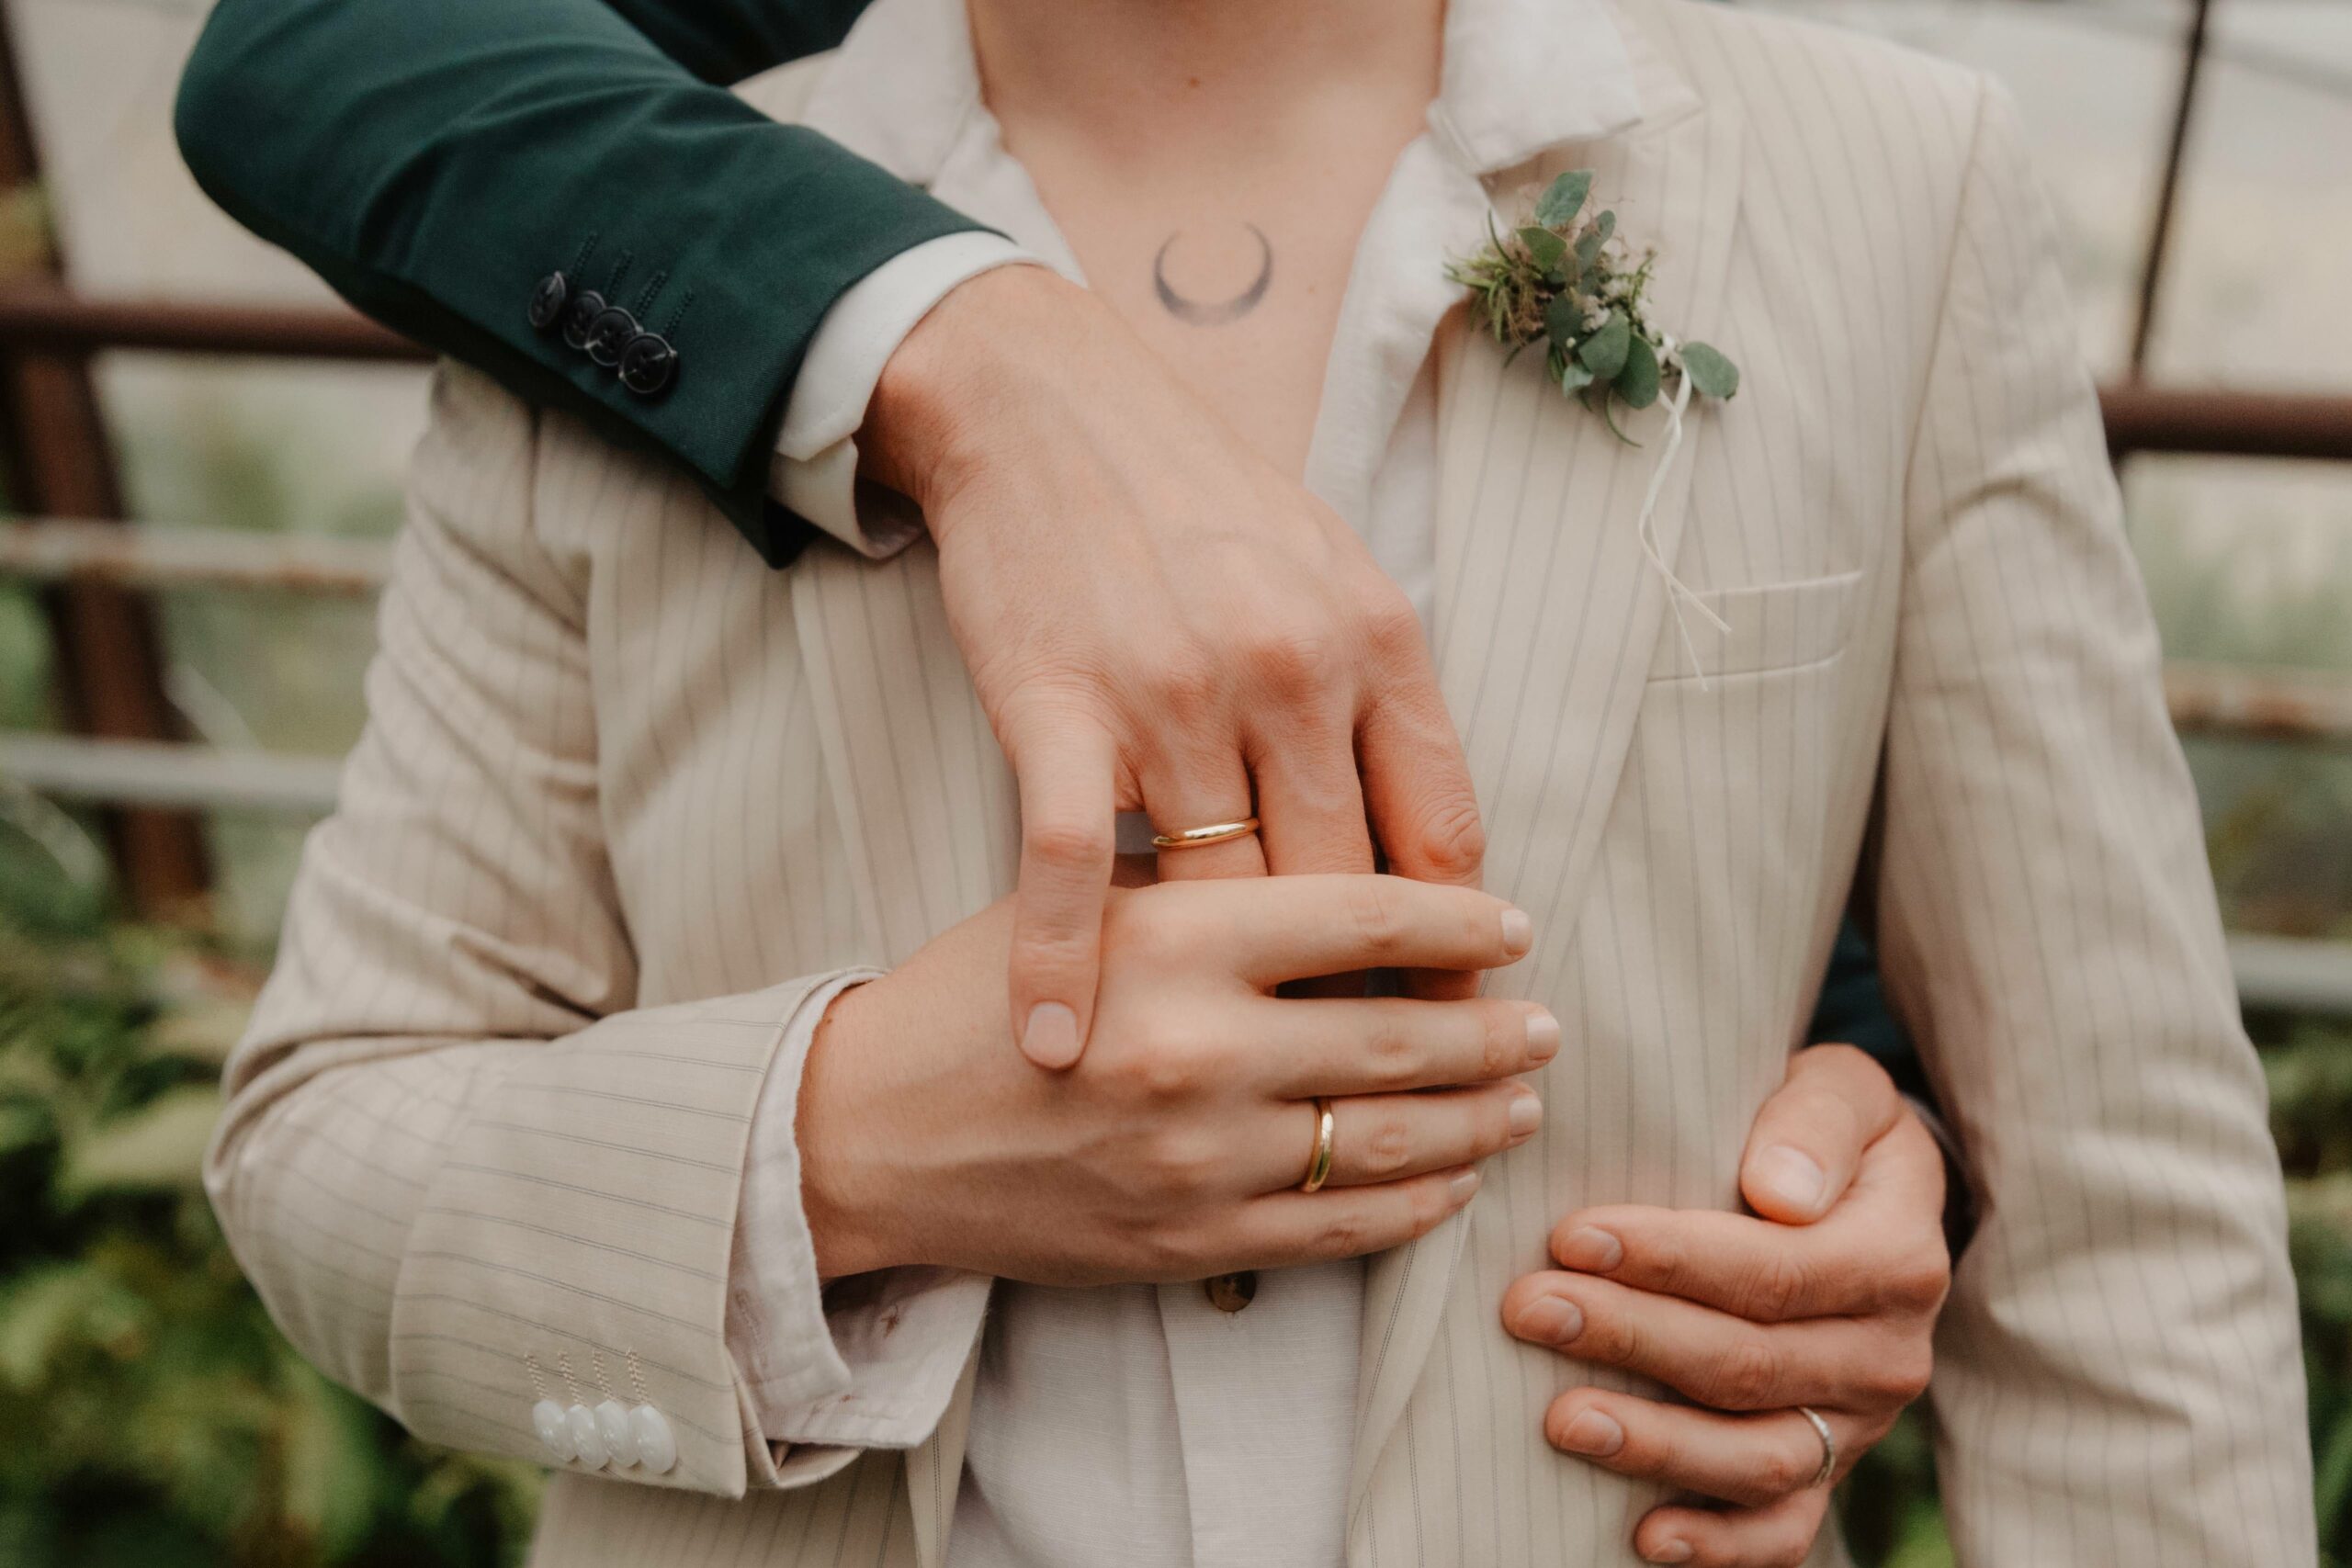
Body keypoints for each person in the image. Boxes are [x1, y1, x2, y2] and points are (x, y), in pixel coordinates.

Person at [198, 4, 2313, 1568]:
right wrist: (834, 1146)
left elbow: (2117, 1226)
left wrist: (1876, 1093)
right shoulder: (628, 249)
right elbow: (329, 1142)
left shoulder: (1886, 191)